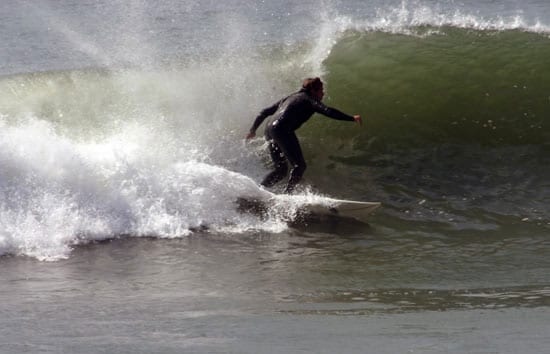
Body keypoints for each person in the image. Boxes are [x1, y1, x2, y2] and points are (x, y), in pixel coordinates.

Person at [246, 77, 362, 193]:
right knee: (299, 166)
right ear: (313, 90)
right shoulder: (309, 99)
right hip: (282, 129)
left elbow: (264, 112)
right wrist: (351, 118)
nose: (323, 93)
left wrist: (253, 130)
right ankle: (288, 195)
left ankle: (258, 191)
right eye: (321, 90)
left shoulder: (290, 97)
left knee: (281, 170)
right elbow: (328, 111)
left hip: (269, 129)